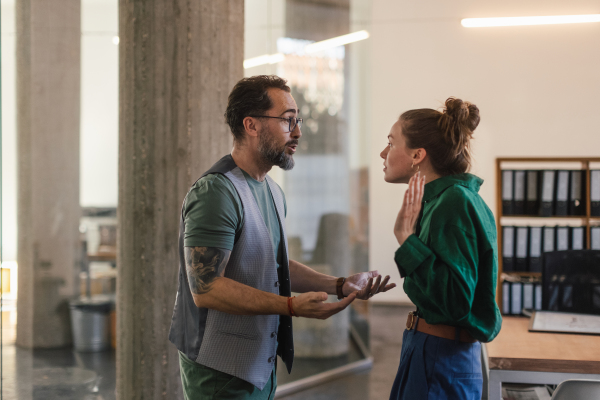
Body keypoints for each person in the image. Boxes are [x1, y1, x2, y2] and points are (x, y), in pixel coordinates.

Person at [169, 75, 396, 400]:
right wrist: (289, 306)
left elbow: (270, 263)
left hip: (258, 365)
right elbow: (206, 288)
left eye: (297, 120)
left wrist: (340, 284)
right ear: (251, 125)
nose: (298, 132)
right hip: (220, 372)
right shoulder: (216, 192)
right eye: (288, 120)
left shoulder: (272, 191)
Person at [382, 97, 502, 400]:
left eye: (391, 143)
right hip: (431, 351)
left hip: (441, 358)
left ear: (417, 155)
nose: (383, 153)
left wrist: (406, 240)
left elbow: (454, 302)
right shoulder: (444, 201)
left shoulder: (454, 202)